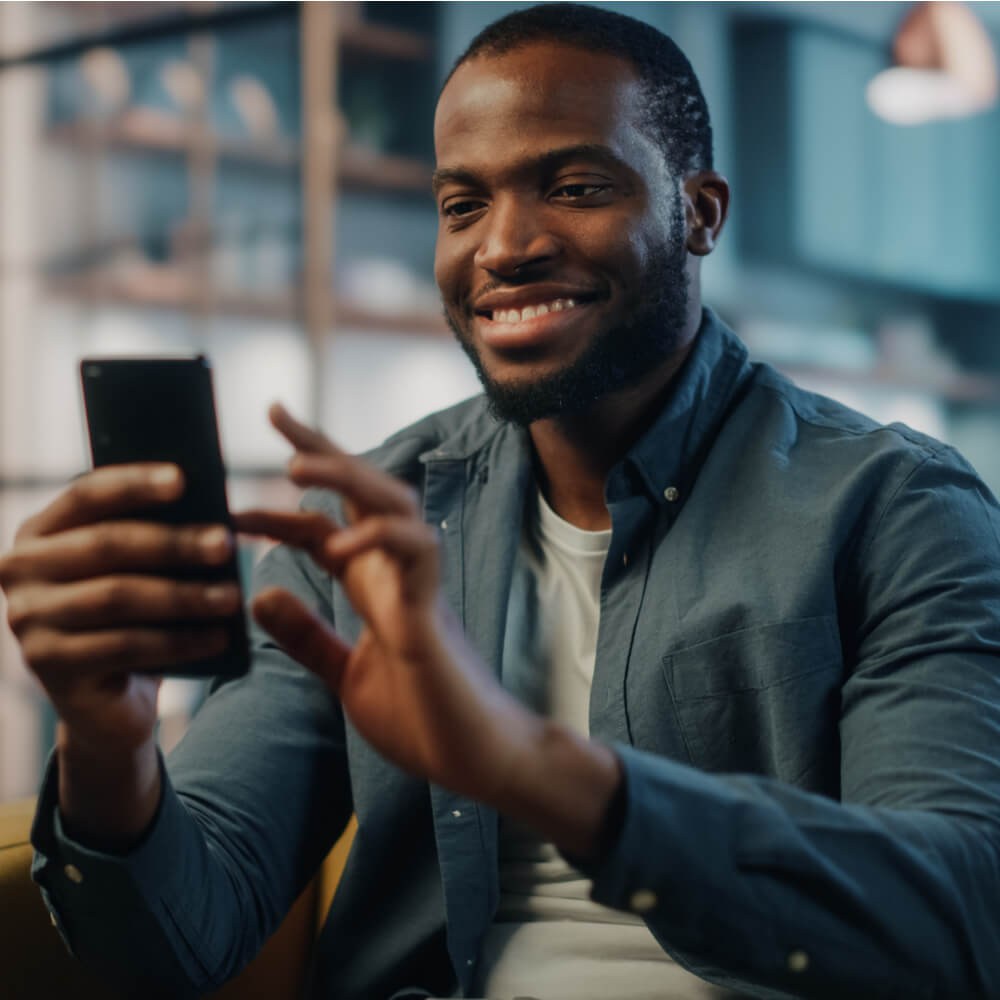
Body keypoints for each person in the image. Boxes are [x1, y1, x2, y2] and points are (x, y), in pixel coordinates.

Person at [2, 4, 1000, 998]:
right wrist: (109, 742)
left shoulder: (898, 509)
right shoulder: (357, 531)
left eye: (572, 187)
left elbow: (958, 918)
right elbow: (177, 945)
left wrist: (527, 764)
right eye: (462, 205)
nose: (504, 246)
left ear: (698, 212)